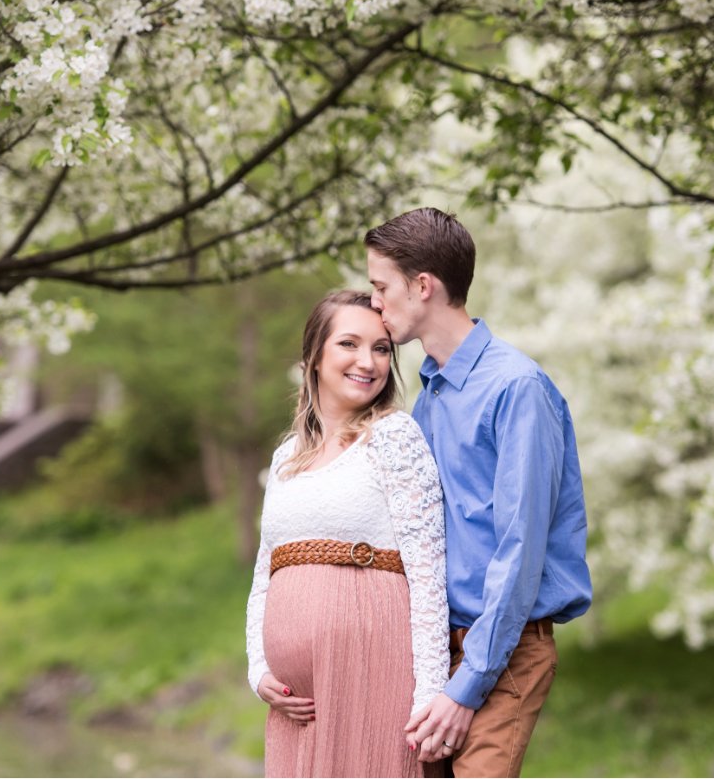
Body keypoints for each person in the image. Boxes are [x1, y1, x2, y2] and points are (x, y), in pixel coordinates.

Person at [365, 208, 593, 778]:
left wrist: (468, 685)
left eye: (381, 287)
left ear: (423, 286)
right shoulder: (431, 396)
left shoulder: (516, 388)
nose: (375, 302)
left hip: (504, 651)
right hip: (438, 648)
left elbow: (520, 550)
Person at [245, 289, 451, 778]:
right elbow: (264, 575)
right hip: (297, 705)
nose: (368, 361)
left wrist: (429, 693)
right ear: (314, 356)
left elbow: (428, 573)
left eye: (380, 349)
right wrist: (259, 669)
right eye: (349, 344)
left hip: (374, 668)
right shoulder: (286, 458)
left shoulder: (394, 437)